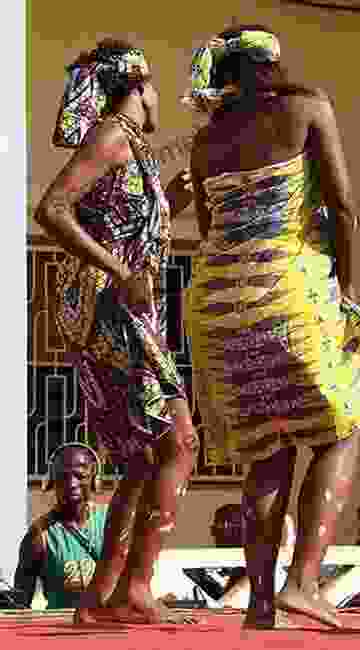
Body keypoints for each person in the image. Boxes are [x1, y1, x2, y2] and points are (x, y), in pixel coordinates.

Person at [183, 25, 360, 629]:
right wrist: (347, 292)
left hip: (216, 303)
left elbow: (208, 227)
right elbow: (342, 207)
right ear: (272, 65)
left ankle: (258, 604)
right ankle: (304, 583)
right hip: (288, 292)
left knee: (267, 453)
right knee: (346, 423)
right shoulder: (307, 107)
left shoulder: (205, 142)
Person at [34, 38, 199, 625]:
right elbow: (51, 209)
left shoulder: (134, 148)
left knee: (143, 454)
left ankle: (101, 596)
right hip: (109, 309)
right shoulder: (110, 136)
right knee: (180, 443)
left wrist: (177, 193)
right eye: (154, 89)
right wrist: (120, 269)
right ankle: (135, 586)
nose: (159, 101)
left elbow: (132, 224)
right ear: (138, 87)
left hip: (124, 308)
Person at [14, 443, 108, 609]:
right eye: (63, 476)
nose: (71, 483)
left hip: (109, 629)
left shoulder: (111, 523)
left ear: (94, 479)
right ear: (52, 480)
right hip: (62, 629)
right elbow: (20, 602)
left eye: (80, 476)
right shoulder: (39, 535)